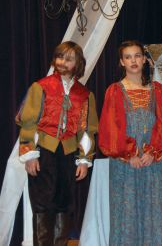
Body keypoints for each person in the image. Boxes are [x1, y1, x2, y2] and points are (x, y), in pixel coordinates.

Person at [98, 40, 162, 246]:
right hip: (124, 162)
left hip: (150, 161)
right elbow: (110, 128)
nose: (133, 60)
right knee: (124, 210)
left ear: (144, 60)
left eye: (137, 56)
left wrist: (153, 152)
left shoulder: (158, 90)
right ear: (121, 62)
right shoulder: (114, 91)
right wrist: (129, 154)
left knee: (151, 210)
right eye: (128, 57)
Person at [16, 41, 98, 246]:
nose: (63, 62)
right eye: (60, 57)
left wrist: (83, 160)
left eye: (69, 59)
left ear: (78, 63)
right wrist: (29, 154)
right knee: (43, 204)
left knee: (65, 203)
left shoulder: (85, 95)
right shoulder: (41, 87)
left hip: (68, 153)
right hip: (44, 151)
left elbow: (86, 131)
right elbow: (28, 122)